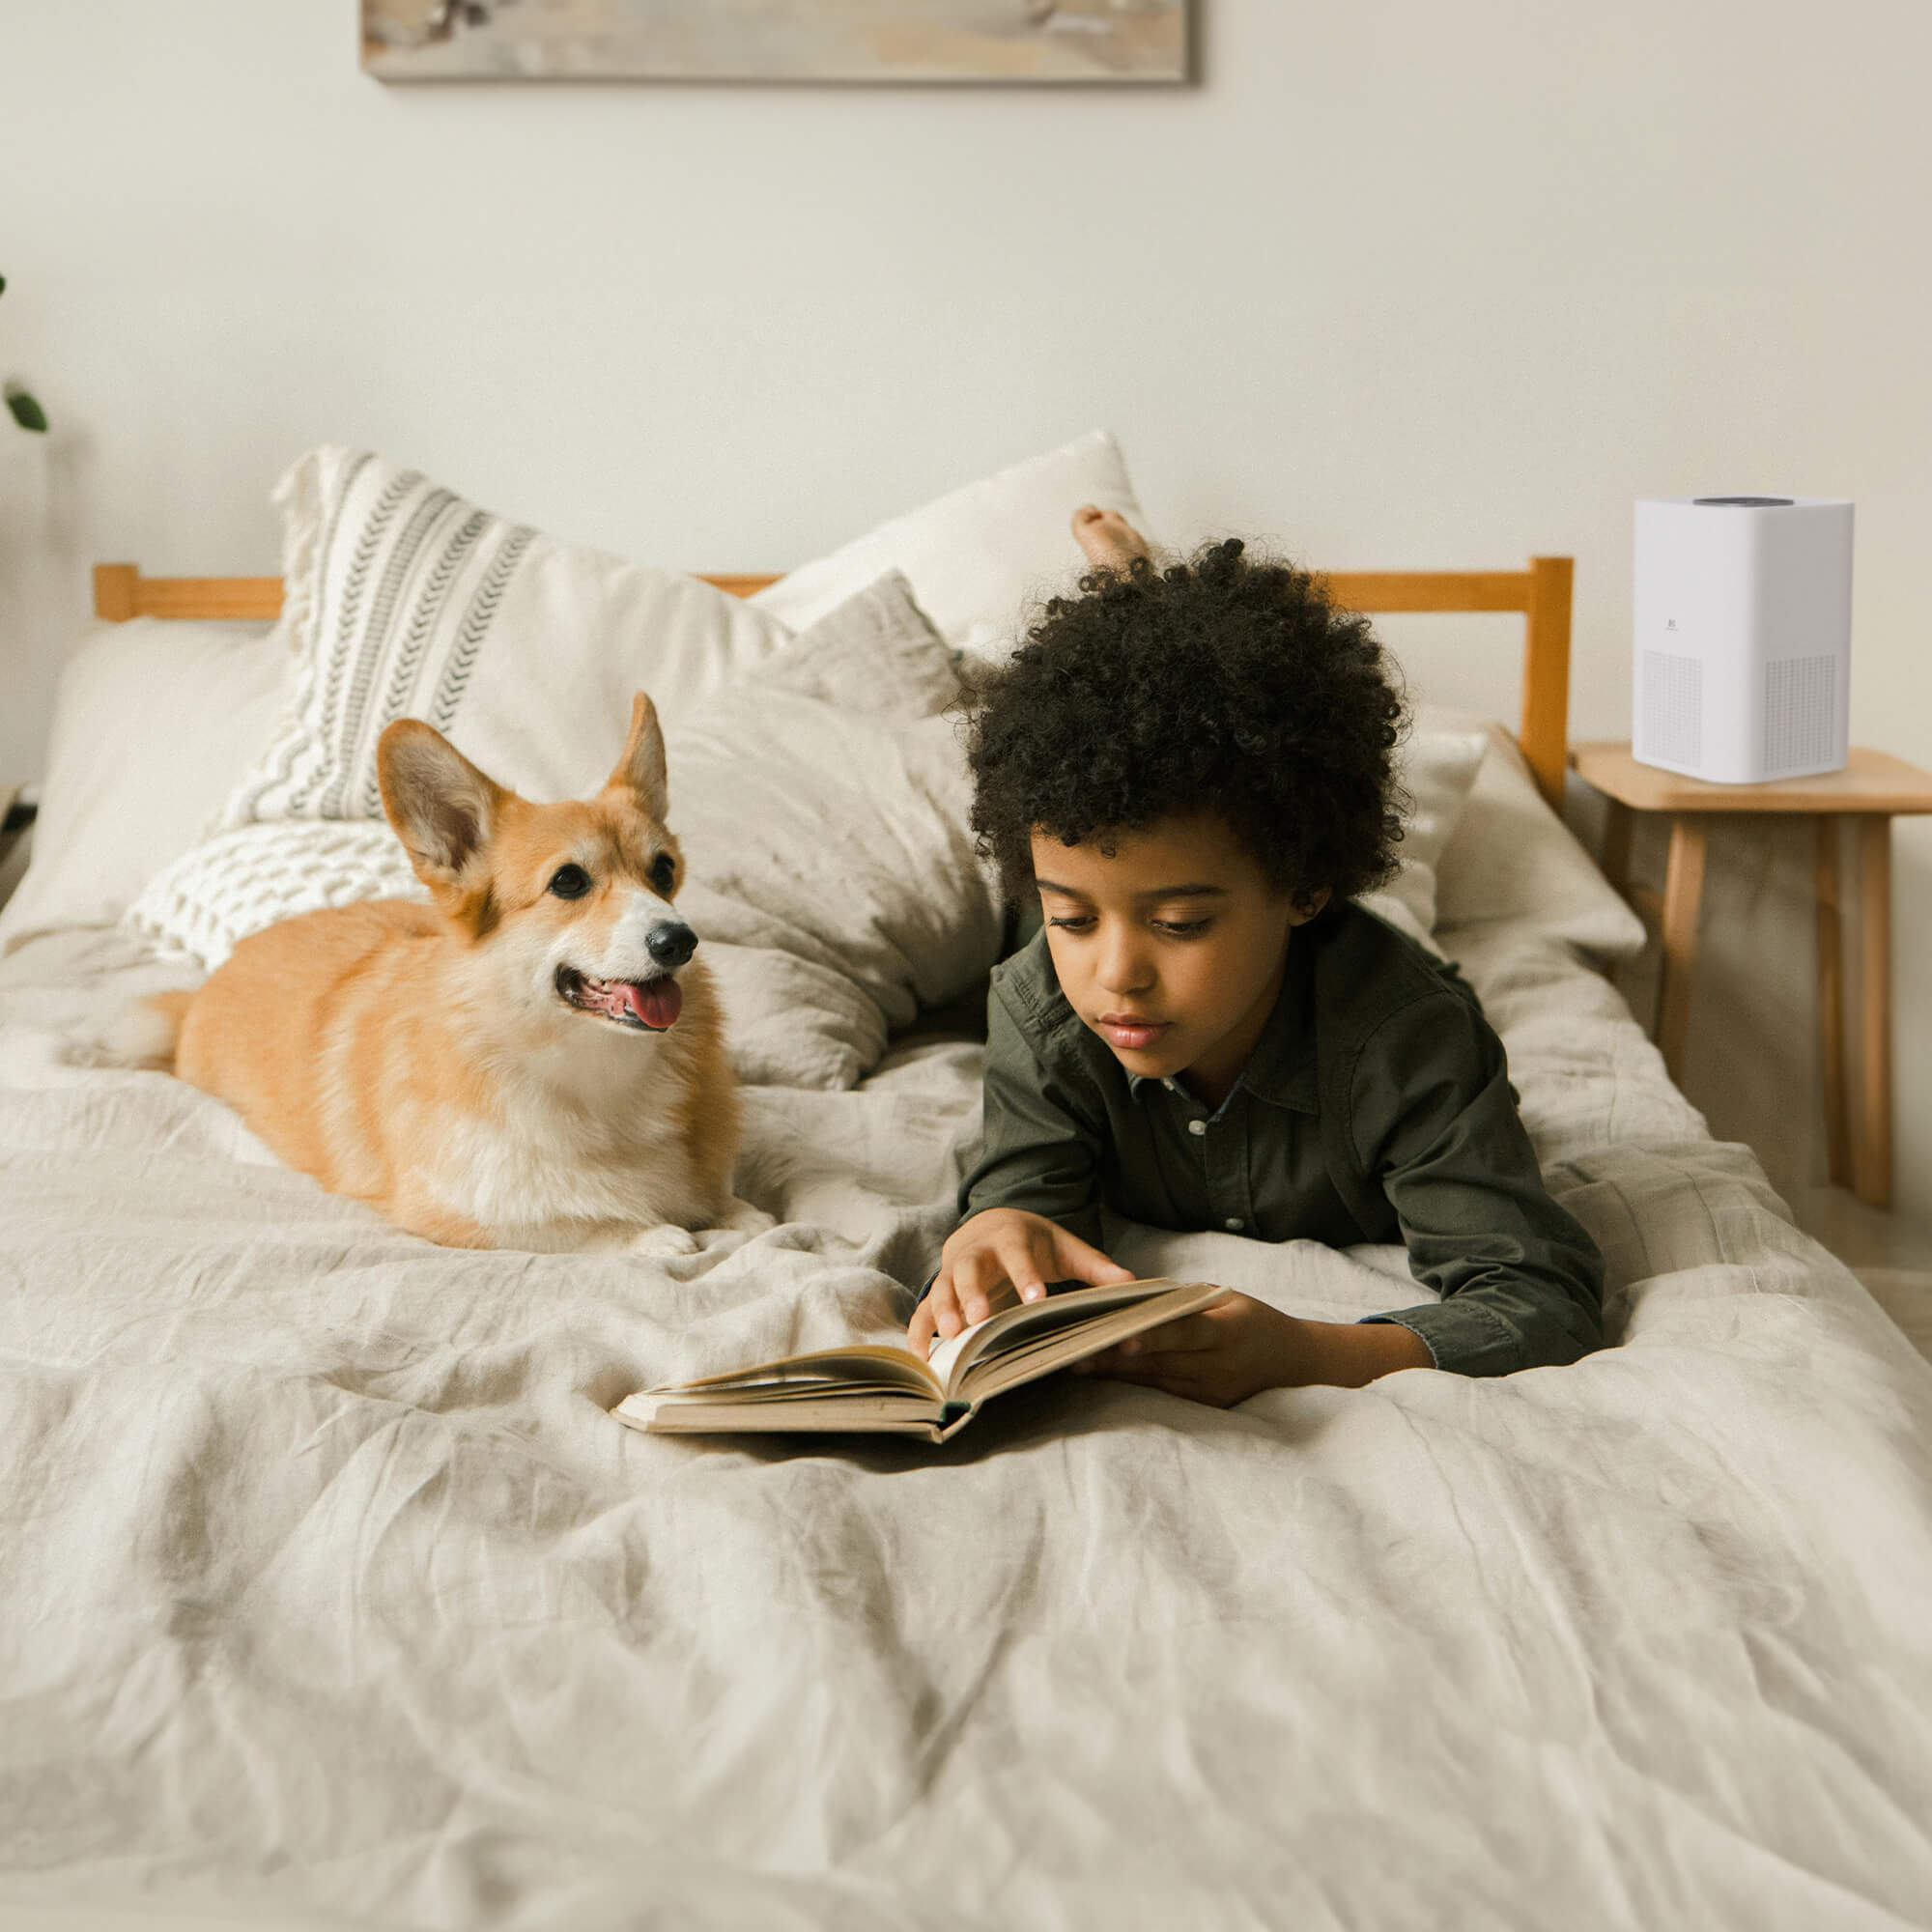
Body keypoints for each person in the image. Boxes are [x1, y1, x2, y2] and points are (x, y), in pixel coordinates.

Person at [906, 507, 1605, 1406]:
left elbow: (1539, 1299)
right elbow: (1025, 1176)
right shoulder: (1043, 998)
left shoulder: (1409, 1041)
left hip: (1345, 963)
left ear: (1305, 886)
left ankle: (1144, 603)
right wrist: (1000, 1225)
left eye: (1181, 924)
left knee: (1384, 945)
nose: (1118, 975)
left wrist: (1311, 1354)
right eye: (1072, 918)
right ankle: (1136, 607)